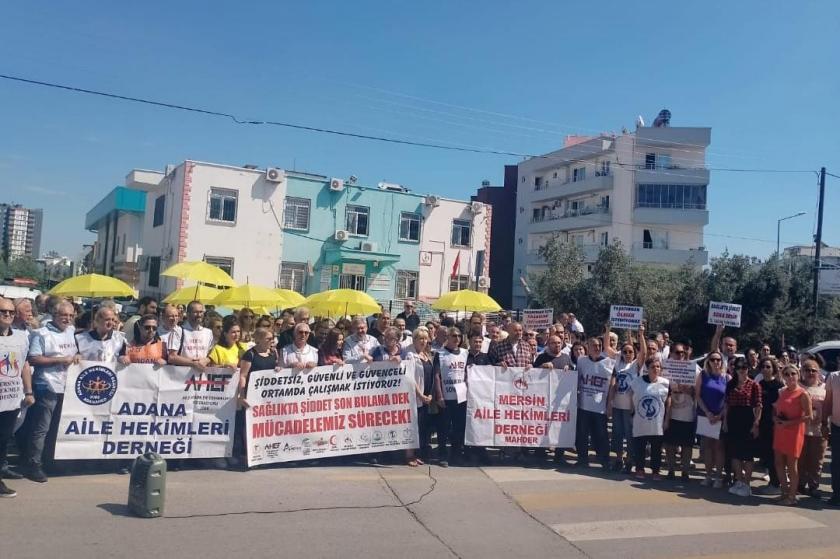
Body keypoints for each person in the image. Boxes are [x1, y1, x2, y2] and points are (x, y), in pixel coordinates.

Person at [24, 301, 79, 482]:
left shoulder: (71, 332)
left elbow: (75, 353)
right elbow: (33, 358)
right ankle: (33, 465)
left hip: (67, 386)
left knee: (58, 428)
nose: (68, 319)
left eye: (71, 316)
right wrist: (59, 360)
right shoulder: (41, 334)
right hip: (46, 385)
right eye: (64, 315)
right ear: (54, 315)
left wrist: (77, 356)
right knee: (42, 428)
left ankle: (51, 462)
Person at [0, 297, 35, 497]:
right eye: (3, 311)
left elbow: (23, 365)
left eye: (11, 312)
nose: (7, 315)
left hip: (11, 400)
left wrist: (28, 392)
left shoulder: (22, 337)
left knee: (3, 441)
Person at [235, 328, 280, 469]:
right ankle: (250, 456)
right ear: (258, 339)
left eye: (272, 338)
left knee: (265, 426)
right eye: (268, 339)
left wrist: (278, 370)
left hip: (267, 398)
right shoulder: (250, 355)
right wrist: (242, 396)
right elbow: (243, 375)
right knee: (249, 428)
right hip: (252, 396)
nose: (271, 341)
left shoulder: (273, 353)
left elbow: (274, 370)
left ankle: (265, 455)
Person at [607, 329, 647, 474]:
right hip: (618, 405)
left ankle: (630, 460)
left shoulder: (636, 365)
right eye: (625, 352)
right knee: (617, 434)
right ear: (621, 353)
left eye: (630, 352)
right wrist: (610, 403)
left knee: (630, 435)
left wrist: (641, 334)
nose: (628, 354)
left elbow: (644, 352)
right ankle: (619, 459)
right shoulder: (618, 365)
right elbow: (613, 385)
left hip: (631, 407)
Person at [723, 357, 762, 497]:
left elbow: (758, 406)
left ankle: (747, 483)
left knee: (748, 454)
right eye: (738, 368)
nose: (741, 370)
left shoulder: (754, 385)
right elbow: (726, 404)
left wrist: (756, 424)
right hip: (733, 419)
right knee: (735, 453)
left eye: (744, 368)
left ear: (748, 369)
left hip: (747, 419)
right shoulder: (730, 384)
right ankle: (738, 480)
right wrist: (725, 422)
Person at [773, 364, 812, 506]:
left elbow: (809, 416)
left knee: (791, 465)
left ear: (798, 375)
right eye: (787, 374)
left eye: (793, 374)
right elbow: (776, 409)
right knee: (778, 462)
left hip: (794, 432)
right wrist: (776, 419)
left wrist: (789, 423)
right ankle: (784, 492)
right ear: (783, 376)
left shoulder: (803, 393)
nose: (790, 377)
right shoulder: (783, 392)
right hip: (780, 430)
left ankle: (792, 496)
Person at [629, 356, 671, 480]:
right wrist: (632, 410)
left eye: (658, 367)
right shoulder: (637, 381)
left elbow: (668, 401)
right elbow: (631, 395)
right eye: (653, 367)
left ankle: (655, 471)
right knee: (640, 447)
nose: (656, 369)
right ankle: (640, 469)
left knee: (656, 449)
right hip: (640, 421)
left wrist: (667, 419)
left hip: (657, 423)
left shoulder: (665, 383)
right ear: (647, 368)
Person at [576, 337, 614, 468]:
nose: (597, 348)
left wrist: (609, 404)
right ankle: (582, 459)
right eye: (594, 345)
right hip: (583, 405)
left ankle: (604, 460)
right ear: (588, 346)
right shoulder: (581, 361)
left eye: (599, 345)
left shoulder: (609, 363)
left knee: (601, 436)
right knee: (582, 434)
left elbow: (612, 385)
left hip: (600, 407)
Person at [433, 327, 468, 467]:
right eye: (454, 335)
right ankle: (442, 455)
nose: (457, 338)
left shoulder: (465, 353)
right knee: (443, 428)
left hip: (460, 396)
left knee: (459, 428)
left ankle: (456, 454)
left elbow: (467, 372)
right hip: (446, 396)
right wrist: (439, 395)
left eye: (459, 336)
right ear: (448, 336)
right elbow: (436, 376)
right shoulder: (440, 354)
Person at [663, 342, 697, 481]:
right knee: (670, 444)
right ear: (670, 353)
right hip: (671, 413)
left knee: (687, 446)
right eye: (677, 352)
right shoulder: (665, 368)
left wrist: (690, 390)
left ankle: (685, 472)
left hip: (688, 414)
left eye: (682, 352)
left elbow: (699, 392)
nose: (680, 355)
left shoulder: (694, 369)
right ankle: (671, 470)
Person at [404, 327, 438, 466]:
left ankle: (418, 453)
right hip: (415, 396)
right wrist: (420, 394)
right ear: (414, 340)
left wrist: (429, 394)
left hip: (426, 397)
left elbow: (430, 376)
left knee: (422, 427)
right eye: (421, 339)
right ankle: (409, 455)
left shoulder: (426, 354)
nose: (424, 341)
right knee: (412, 426)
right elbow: (410, 377)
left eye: (426, 339)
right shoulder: (410, 355)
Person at [696, 350, 728, 488]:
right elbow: (698, 396)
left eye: (718, 360)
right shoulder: (703, 375)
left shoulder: (727, 378)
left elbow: (729, 399)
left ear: (722, 362)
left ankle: (718, 477)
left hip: (720, 417)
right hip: (705, 416)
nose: (716, 362)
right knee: (707, 447)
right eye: (713, 359)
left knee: (719, 448)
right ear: (708, 362)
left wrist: (720, 415)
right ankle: (708, 475)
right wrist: (707, 412)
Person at [798, 358, 827, 498]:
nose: (810, 373)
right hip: (801, 429)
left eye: (813, 370)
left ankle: (814, 486)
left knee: (817, 460)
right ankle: (800, 485)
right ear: (802, 372)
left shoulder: (825, 388)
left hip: (819, 430)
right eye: (807, 370)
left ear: (818, 372)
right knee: (801, 459)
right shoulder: (798, 387)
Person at [755, 357, 784, 495]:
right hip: (762, 424)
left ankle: (775, 484)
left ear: (773, 369)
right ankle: (772, 482)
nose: (765, 369)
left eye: (768, 367)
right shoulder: (759, 384)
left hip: (774, 425)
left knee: (774, 455)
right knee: (766, 454)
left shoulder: (778, 386)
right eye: (763, 367)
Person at [167, 301, 214, 370]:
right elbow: (172, 357)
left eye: (201, 312)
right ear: (188, 314)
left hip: (201, 376)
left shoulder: (208, 332)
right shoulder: (178, 331)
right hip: (182, 376)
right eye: (196, 312)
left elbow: (211, 356)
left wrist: (206, 360)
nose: (199, 315)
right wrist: (193, 363)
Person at [821, 362, 840, 506]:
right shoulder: (833, 377)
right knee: (837, 462)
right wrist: (824, 423)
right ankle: (837, 494)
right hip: (837, 425)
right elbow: (827, 403)